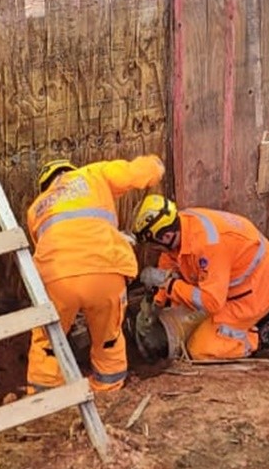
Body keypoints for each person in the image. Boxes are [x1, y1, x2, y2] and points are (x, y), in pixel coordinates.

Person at [23, 154, 166, 397]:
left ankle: (43, 396)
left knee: (47, 340)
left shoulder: (36, 207)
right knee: (107, 336)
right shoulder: (92, 174)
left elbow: (44, 244)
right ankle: (107, 389)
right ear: (69, 171)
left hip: (57, 278)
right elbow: (134, 173)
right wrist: (155, 166)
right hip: (105, 271)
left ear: (46, 184)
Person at [132, 195, 269, 359]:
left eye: (154, 245)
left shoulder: (209, 245)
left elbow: (211, 302)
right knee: (181, 300)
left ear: (165, 237)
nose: (155, 250)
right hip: (232, 283)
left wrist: (169, 285)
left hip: (256, 289)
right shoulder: (181, 226)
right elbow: (168, 262)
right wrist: (156, 303)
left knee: (200, 348)